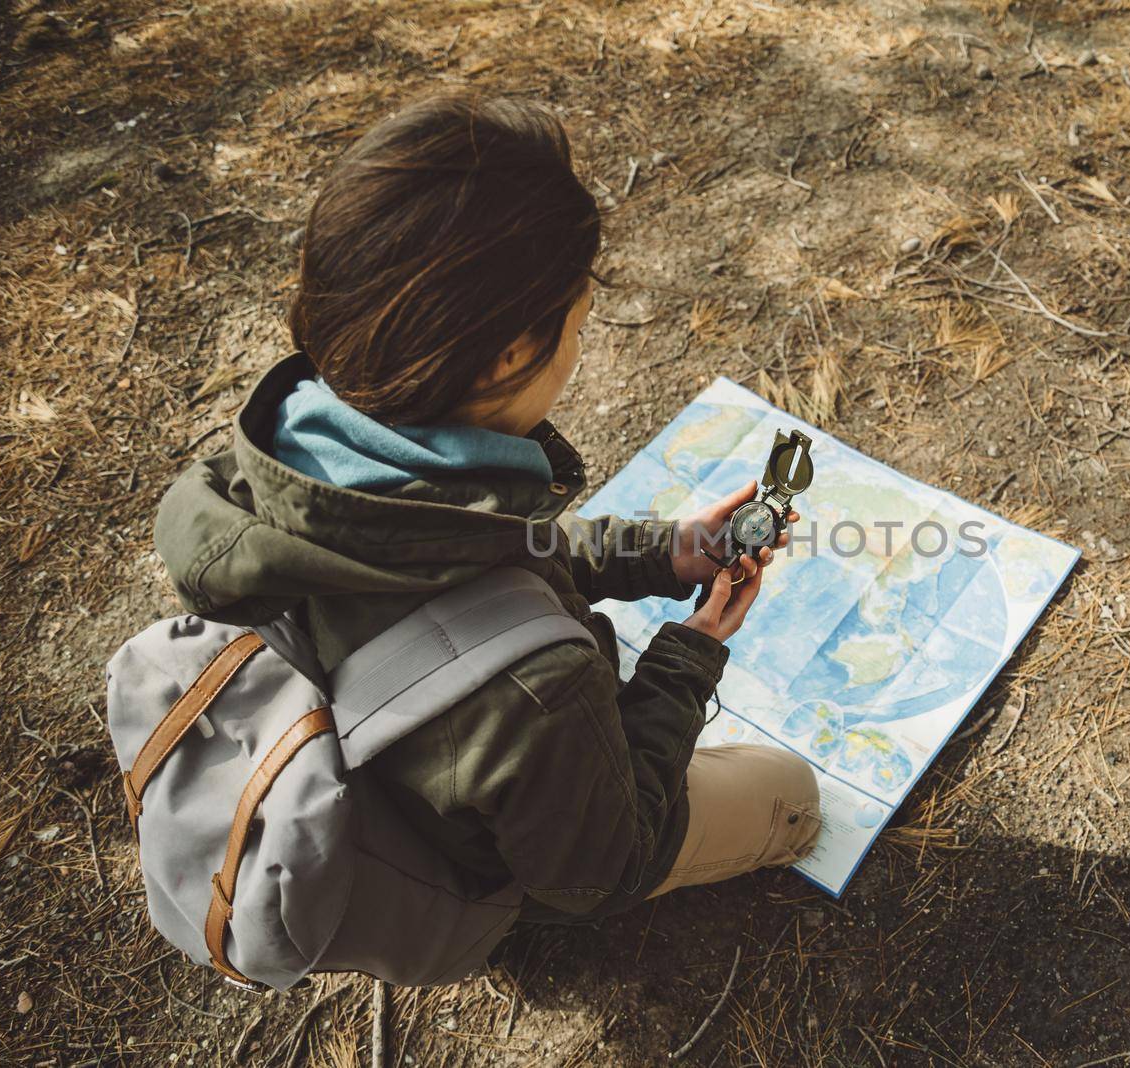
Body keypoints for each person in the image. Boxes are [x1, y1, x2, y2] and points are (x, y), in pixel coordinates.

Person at [152, 93, 821, 939]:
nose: (579, 345)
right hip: (490, 851)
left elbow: (474, 560)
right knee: (790, 790)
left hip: (392, 762)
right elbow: (602, 871)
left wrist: (658, 555)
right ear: (511, 353)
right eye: (577, 323)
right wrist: (688, 659)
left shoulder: (296, 461)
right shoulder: (540, 692)